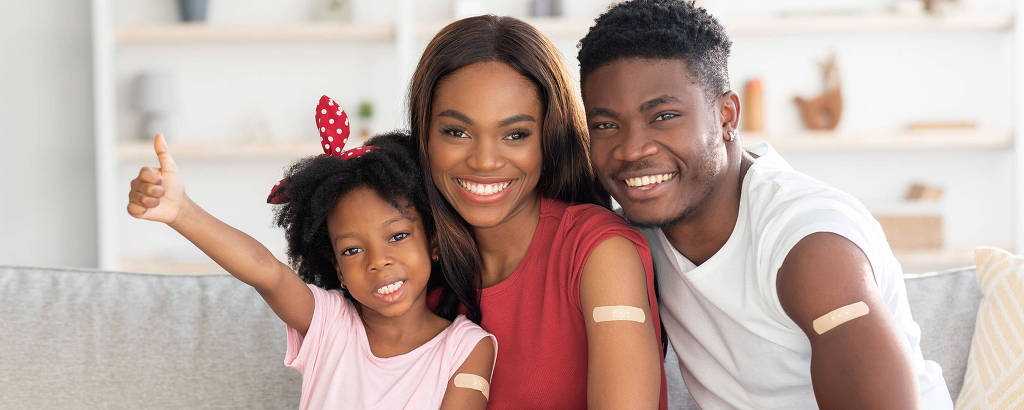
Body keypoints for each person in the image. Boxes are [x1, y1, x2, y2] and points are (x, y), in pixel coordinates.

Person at [577, 1, 953, 408]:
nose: (632, 150)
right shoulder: (629, 238)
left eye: (664, 116)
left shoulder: (810, 244)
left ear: (726, 117)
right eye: (606, 125)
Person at [125, 101, 496, 410]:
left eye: (397, 236)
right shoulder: (329, 325)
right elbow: (265, 271)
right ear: (336, 265)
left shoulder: (466, 348)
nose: (377, 261)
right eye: (352, 249)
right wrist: (182, 211)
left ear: (432, 241)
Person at [408, 15, 668, 409]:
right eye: (456, 132)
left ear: (549, 138)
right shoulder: (414, 267)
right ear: (424, 135)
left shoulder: (598, 251)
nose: (484, 161)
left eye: (515, 134)